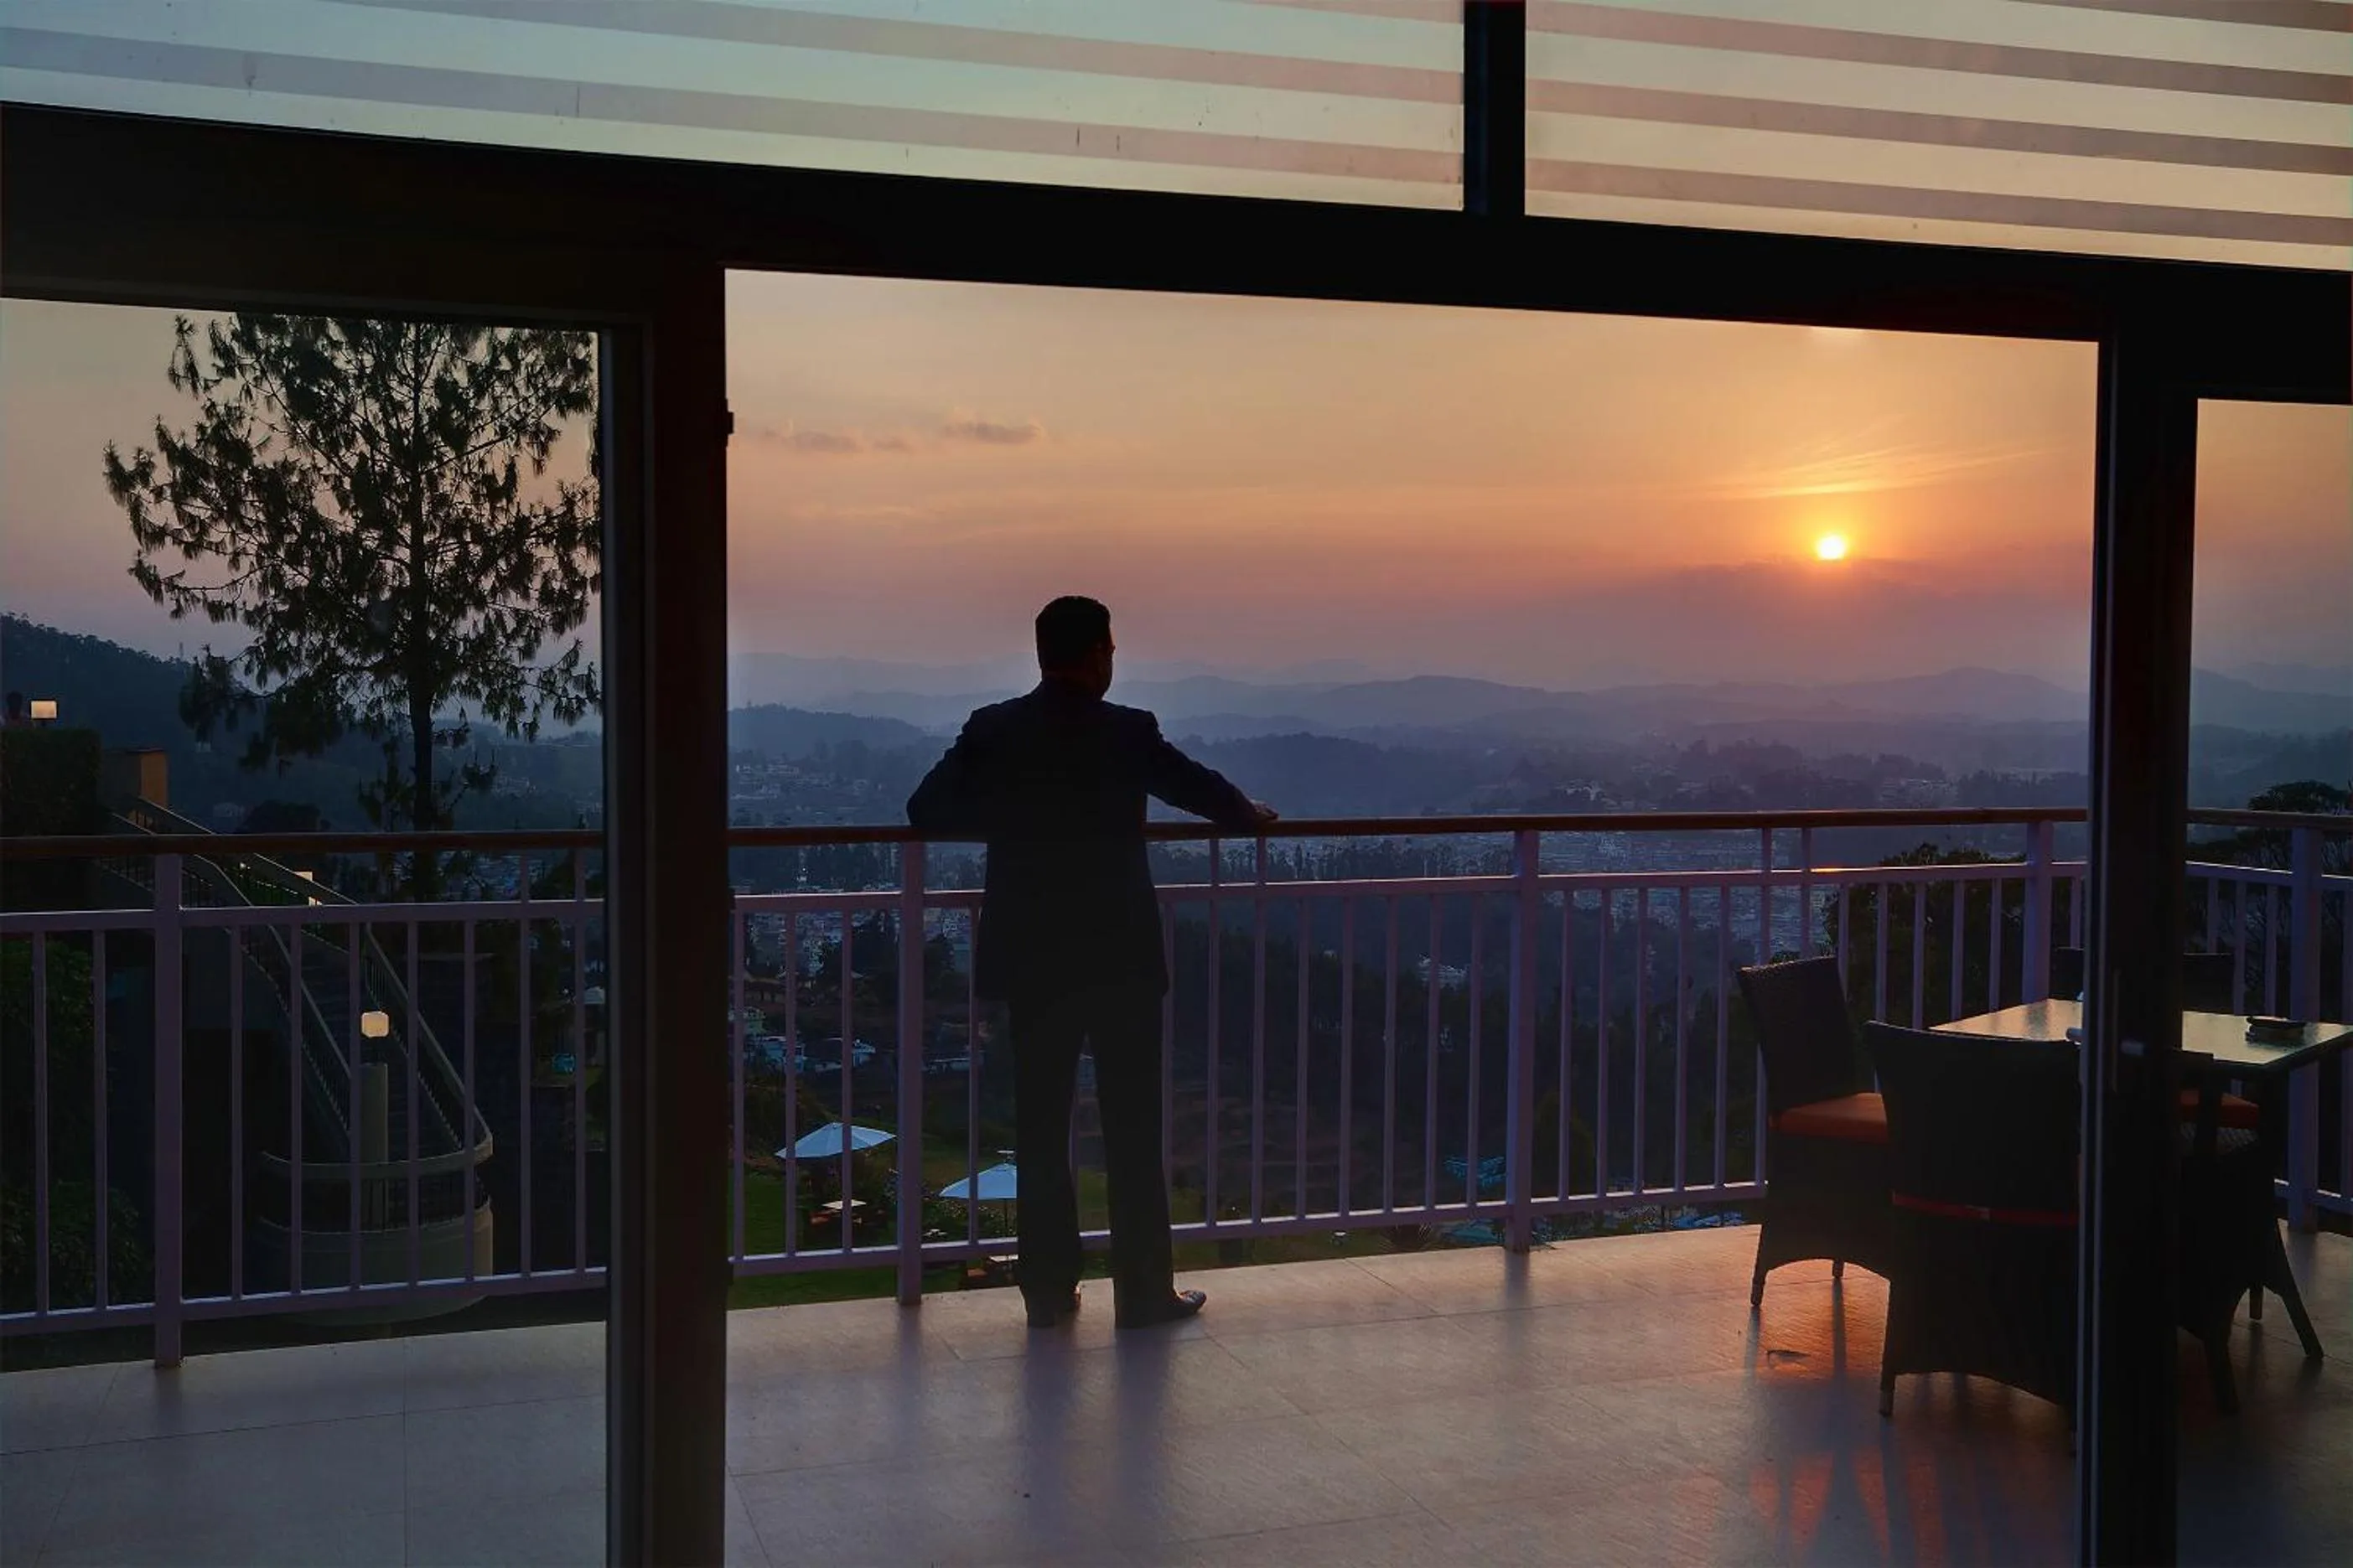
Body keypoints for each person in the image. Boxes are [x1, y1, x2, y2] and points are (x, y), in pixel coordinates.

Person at [908, 597, 1276, 1329]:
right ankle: (1142, 1292)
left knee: (1042, 1128)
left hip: (1032, 956)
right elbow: (1200, 790)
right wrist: (1250, 812)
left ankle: (1048, 1290)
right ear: (1100, 653)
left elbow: (927, 809)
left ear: (1042, 652)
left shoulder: (994, 729)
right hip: (1119, 956)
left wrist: (1014, 820)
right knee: (1133, 1127)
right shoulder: (1126, 732)